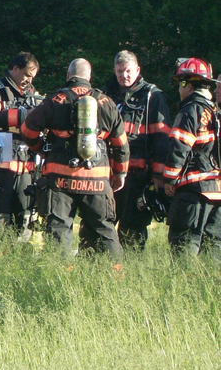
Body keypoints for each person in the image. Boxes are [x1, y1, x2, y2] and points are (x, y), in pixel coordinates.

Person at [21, 58, 129, 255]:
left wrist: (41, 149)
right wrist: (119, 174)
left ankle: (58, 278)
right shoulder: (107, 102)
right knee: (104, 230)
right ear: (89, 77)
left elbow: (27, 130)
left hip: (60, 180)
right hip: (97, 181)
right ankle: (116, 274)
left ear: (68, 76)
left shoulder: (55, 100)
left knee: (58, 232)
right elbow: (121, 145)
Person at [102, 51, 171, 249]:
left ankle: (131, 268)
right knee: (102, 222)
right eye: (119, 71)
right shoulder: (105, 95)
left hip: (137, 176)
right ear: (114, 71)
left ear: (138, 70)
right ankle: (100, 266)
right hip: (108, 173)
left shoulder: (152, 96)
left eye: (128, 71)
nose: (124, 75)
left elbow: (161, 138)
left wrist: (158, 176)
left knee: (132, 227)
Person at [0, 53, 42, 235]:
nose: (29, 80)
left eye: (32, 77)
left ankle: (18, 256)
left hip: (25, 168)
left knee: (24, 217)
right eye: (27, 75)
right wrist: (23, 115)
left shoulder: (32, 94)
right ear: (15, 69)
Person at [160, 58, 221, 257]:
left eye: (180, 83)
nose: (179, 88)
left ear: (187, 84)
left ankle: (183, 286)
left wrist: (169, 180)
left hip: (193, 192)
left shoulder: (190, 111)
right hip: (216, 193)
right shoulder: (214, 111)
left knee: (183, 242)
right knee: (212, 250)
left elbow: (179, 148)